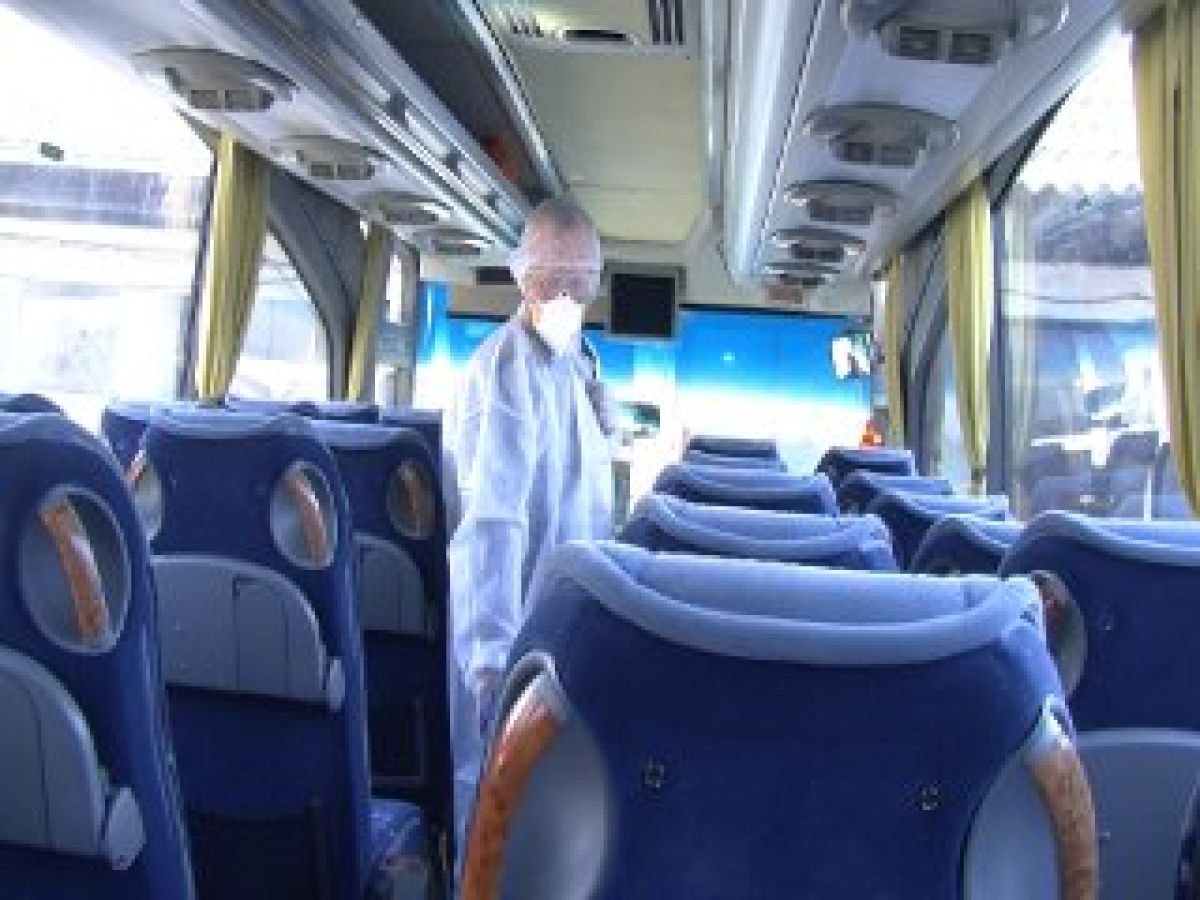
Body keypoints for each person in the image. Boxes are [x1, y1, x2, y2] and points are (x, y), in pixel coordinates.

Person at [443, 197, 616, 864]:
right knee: (494, 823)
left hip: (554, 637)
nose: (566, 297)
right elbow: (493, 525)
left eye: (579, 282)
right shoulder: (508, 371)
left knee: (541, 835)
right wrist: (494, 672)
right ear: (522, 277)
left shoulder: (573, 363)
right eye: (551, 281)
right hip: (510, 646)